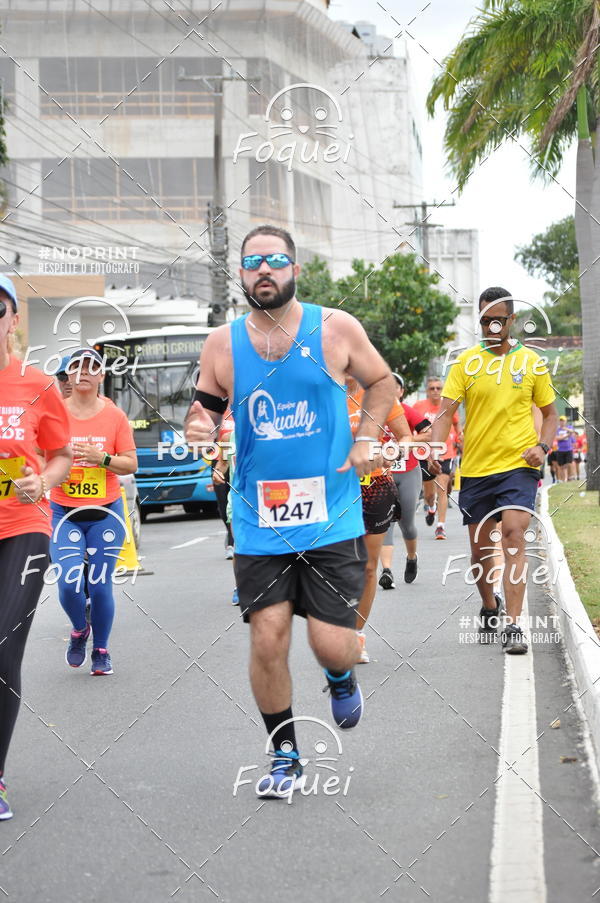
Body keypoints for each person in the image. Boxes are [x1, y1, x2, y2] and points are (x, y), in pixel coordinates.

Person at [185, 224, 396, 798]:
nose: (263, 271)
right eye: (252, 262)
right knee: (267, 635)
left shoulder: (335, 328)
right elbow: (201, 410)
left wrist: (368, 437)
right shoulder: (221, 344)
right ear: (242, 275)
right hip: (259, 516)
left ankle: (339, 672)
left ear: (294, 269)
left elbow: (382, 382)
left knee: (332, 643)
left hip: (331, 513)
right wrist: (200, 429)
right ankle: (284, 756)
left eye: (275, 260)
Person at [430, 286, 558, 654]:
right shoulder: (464, 364)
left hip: (519, 466)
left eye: (497, 320)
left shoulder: (532, 363)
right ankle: (490, 604)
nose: (490, 326)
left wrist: (543, 446)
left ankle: (515, 626)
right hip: (477, 469)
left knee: (515, 535)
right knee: (480, 551)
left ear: (512, 320)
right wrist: (436, 448)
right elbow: (445, 413)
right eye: (484, 320)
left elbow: (550, 415)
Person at [0, 274, 72, 819]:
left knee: (4, 647)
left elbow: (61, 456)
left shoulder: (36, 384)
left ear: (12, 318)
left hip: (23, 525)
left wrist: (44, 482)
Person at [49, 348, 137, 676]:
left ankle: (101, 649)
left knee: (99, 586)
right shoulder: (54, 413)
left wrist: (102, 459)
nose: (83, 372)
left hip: (105, 513)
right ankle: (78, 629)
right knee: (69, 582)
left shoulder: (114, 416)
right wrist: (60, 463)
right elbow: (39, 456)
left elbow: (131, 463)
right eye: (76, 367)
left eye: (91, 367)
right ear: (68, 376)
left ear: (101, 375)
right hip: (64, 512)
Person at [346, 376, 411, 663]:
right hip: (333, 490)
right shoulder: (318, 389)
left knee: (368, 568)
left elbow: (405, 437)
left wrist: (390, 453)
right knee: (336, 563)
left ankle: (356, 636)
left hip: (375, 488)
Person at [379, 373, 424, 588]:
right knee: (384, 522)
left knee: (407, 523)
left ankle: (412, 557)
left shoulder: (406, 411)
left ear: (401, 392)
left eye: (394, 387)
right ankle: (386, 570)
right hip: (381, 473)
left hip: (408, 471)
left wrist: (404, 441)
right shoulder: (372, 411)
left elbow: (429, 432)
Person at [413, 377, 461, 539]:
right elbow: (410, 425)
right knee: (429, 495)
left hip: (445, 452)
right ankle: (431, 506)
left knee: (442, 488)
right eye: (432, 388)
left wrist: (458, 438)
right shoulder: (418, 407)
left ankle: (441, 526)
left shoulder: (447, 406)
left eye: (438, 388)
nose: (435, 391)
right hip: (425, 454)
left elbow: (456, 423)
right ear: (427, 391)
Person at [555, 416, 576, 482]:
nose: (562, 422)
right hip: (560, 450)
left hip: (568, 449)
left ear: (566, 421)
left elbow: (572, 432)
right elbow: (557, 438)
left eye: (563, 421)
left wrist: (565, 429)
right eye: (560, 421)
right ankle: (563, 479)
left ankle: (571, 477)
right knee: (561, 465)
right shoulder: (557, 429)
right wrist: (567, 435)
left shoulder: (569, 427)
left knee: (569, 463)